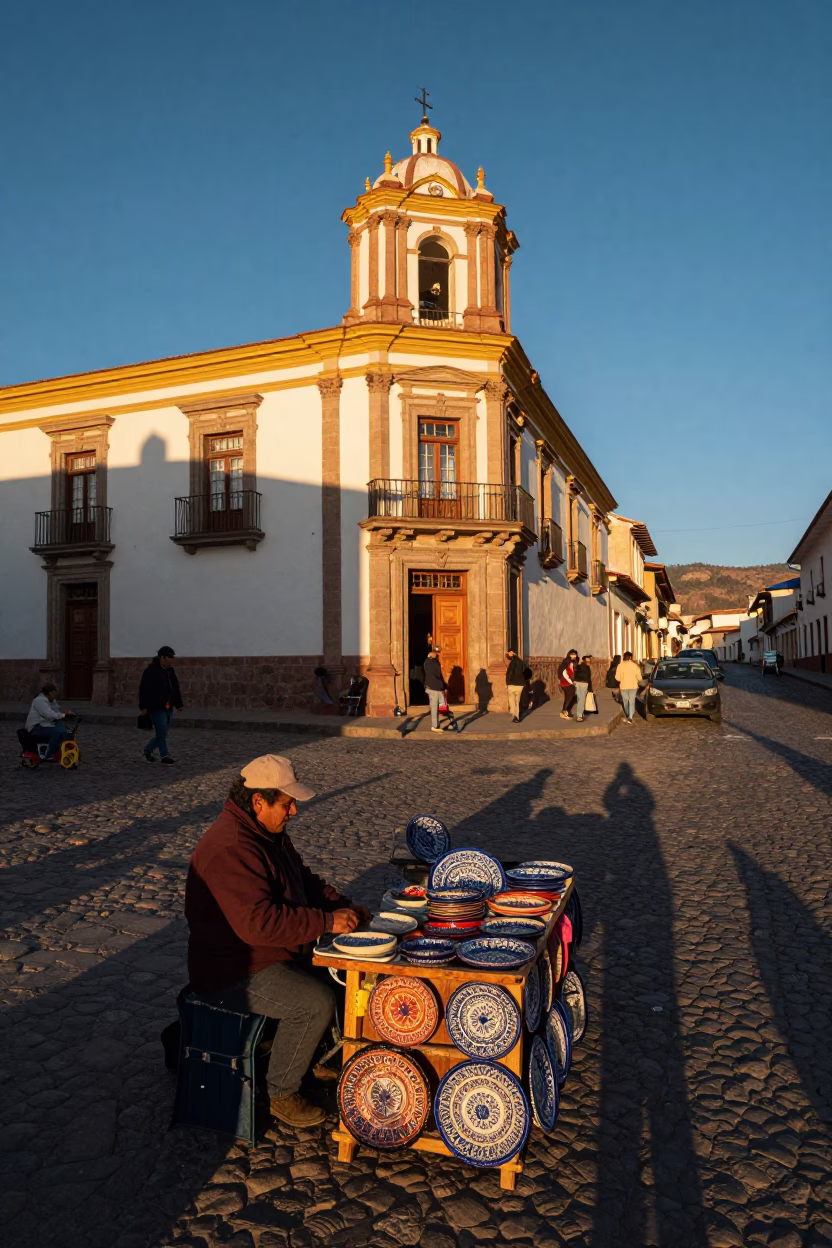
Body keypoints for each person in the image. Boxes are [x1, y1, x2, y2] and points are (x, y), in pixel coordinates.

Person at [184, 754, 370, 1127]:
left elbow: (307, 883)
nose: (294, 811)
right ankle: (282, 1092)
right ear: (258, 801)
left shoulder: (268, 835)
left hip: (268, 953)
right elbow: (259, 924)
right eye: (287, 804)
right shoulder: (232, 847)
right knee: (312, 1002)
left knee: (339, 979)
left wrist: (345, 908)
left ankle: (311, 1061)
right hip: (233, 968)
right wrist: (327, 922)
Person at [139, 645, 183, 764]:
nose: (172, 660)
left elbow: (175, 687)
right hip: (156, 706)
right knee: (162, 730)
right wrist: (143, 707)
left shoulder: (170, 671)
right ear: (162, 658)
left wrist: (179, 704)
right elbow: (143, 689)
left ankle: (148, 750)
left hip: (169, 706)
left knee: (163, 732)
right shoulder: (151, 671)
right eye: (169, 657)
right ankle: (164, 756)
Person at [24, 684, 73, 760]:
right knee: (58, 732)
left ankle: (62, 751)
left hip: (46, 725)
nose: (55, 697)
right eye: (55, 694)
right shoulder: (39, 700)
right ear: (52, 692)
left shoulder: (51, 700)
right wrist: (63, 715)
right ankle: (48, 754)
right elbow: (49, 714)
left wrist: (65, 713)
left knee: (65, 730)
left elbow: (56, 710)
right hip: (36, 728)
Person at [423, 645, 446, 733]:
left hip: (434, 686)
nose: (438, 654)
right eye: (437, 653)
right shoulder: (432, 662)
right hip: (433, 687)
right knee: (434, 707)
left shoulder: (430, 661)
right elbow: (436, 674)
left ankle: (439, 720)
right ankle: (435, 726)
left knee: (441, 702)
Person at [615, 650, 642, 724]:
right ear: (630, 657)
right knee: (632, 701)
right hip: (633, 686)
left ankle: (627, 713)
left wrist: (622, 679)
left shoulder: (620, 665)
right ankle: (630, 716)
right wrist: (638, 680)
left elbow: (617, 678)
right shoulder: (634, 665)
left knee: (625, 701)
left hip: (624, 686)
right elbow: (639, 677)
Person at [505, 649, 526, 723]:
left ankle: (514, 714)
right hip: (520, 684)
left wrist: (507, 682)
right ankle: (516, 717)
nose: (507, 655)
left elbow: (510, 673)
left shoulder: (512, 663)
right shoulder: (521, 662)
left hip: (512, 684)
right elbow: (525, 672)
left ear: (512, 653)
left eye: (509, 653)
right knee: (517, 701)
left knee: (512, 700)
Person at [558, 649, 579, 720]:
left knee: (570, 697)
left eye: (575, 654)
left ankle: (567, 711)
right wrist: (571, 682)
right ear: (569, 655)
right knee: (569, 698)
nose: (574, 656)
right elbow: (564, 674)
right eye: (572, 654)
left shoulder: (573, 663)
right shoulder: (566, 662)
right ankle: (563, 712)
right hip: (565, 683)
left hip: (570, 683)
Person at [573, 655, 593, 721]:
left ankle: (580, 714)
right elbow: (589, 678)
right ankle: (579, 715)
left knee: (579, 699)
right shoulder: (587, 668)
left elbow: (575, 675)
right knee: (582, 700)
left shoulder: (578, 667)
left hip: (578, 684)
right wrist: (590, 689)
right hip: (584, 684)